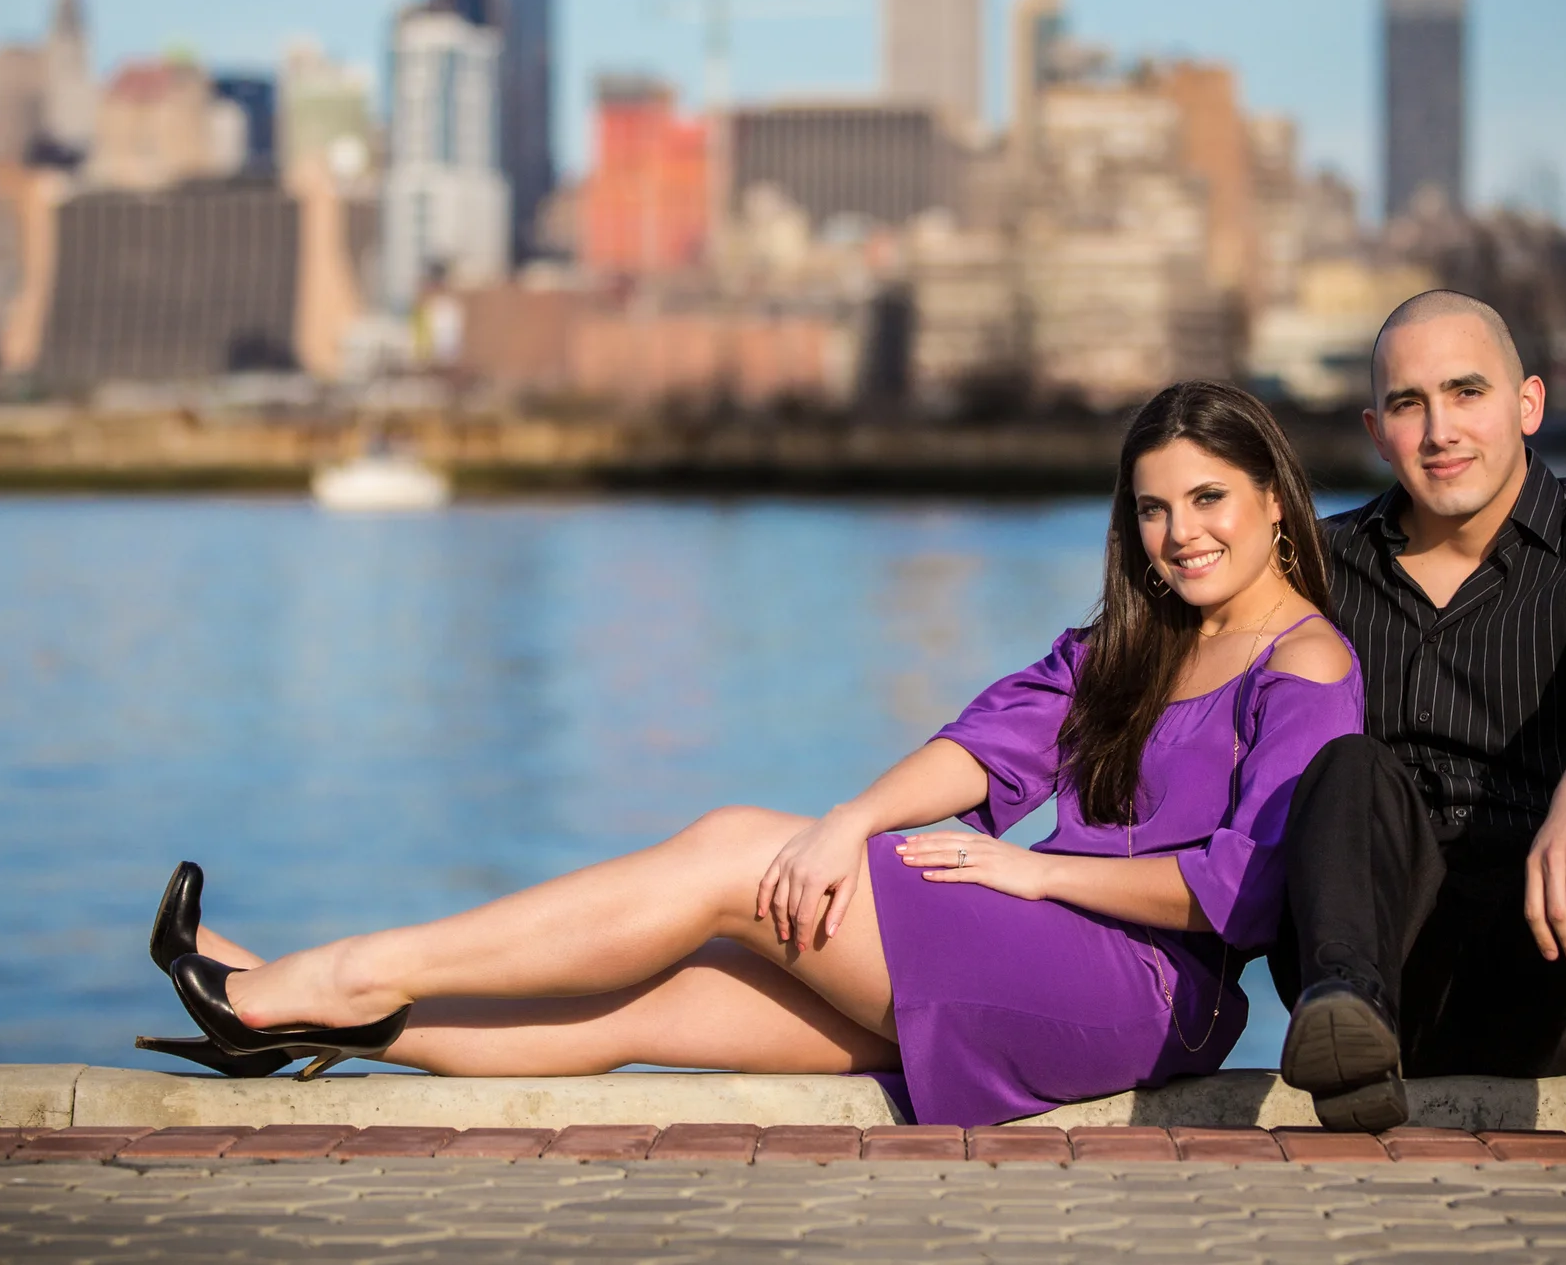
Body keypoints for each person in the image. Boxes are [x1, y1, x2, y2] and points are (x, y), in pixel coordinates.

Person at [139, 382, 1364, 1128]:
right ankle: (308, 1025)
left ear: (1270, 497)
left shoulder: (1305, 664)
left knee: (734, 851)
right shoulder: (1128, 644)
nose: (1178, 533)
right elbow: (987, 750)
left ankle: (331, 972)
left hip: (1150, 995)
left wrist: (1038, 874)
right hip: (1036, 955)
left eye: (1207, 499)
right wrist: (847, 820)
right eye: (1154, 508)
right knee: (660, 997)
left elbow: (1242, 885)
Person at [1272, 290, 1566, 1136]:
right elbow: (1173, 661)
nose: (1440, 430)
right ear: (1377, 431)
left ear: (1528, 404)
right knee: (1347, 765)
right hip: (1378, 969)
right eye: (1410, 404)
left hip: (1563, 958)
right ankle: (1349, 1032)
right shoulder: (1316, 569)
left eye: (1466, 392)